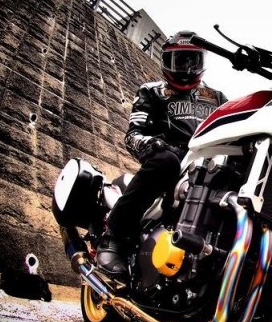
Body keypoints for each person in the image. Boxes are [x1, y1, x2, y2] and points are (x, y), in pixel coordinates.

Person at [96, 31, 228, 278]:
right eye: (181, 61)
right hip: (169, 158)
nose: (187, 68)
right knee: (166, 161)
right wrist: (152, 145)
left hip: (205, 163)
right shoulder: (151, 91)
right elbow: (132, 135)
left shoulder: (217, 97)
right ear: (167, 61)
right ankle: (112, 236)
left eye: (193, 61)